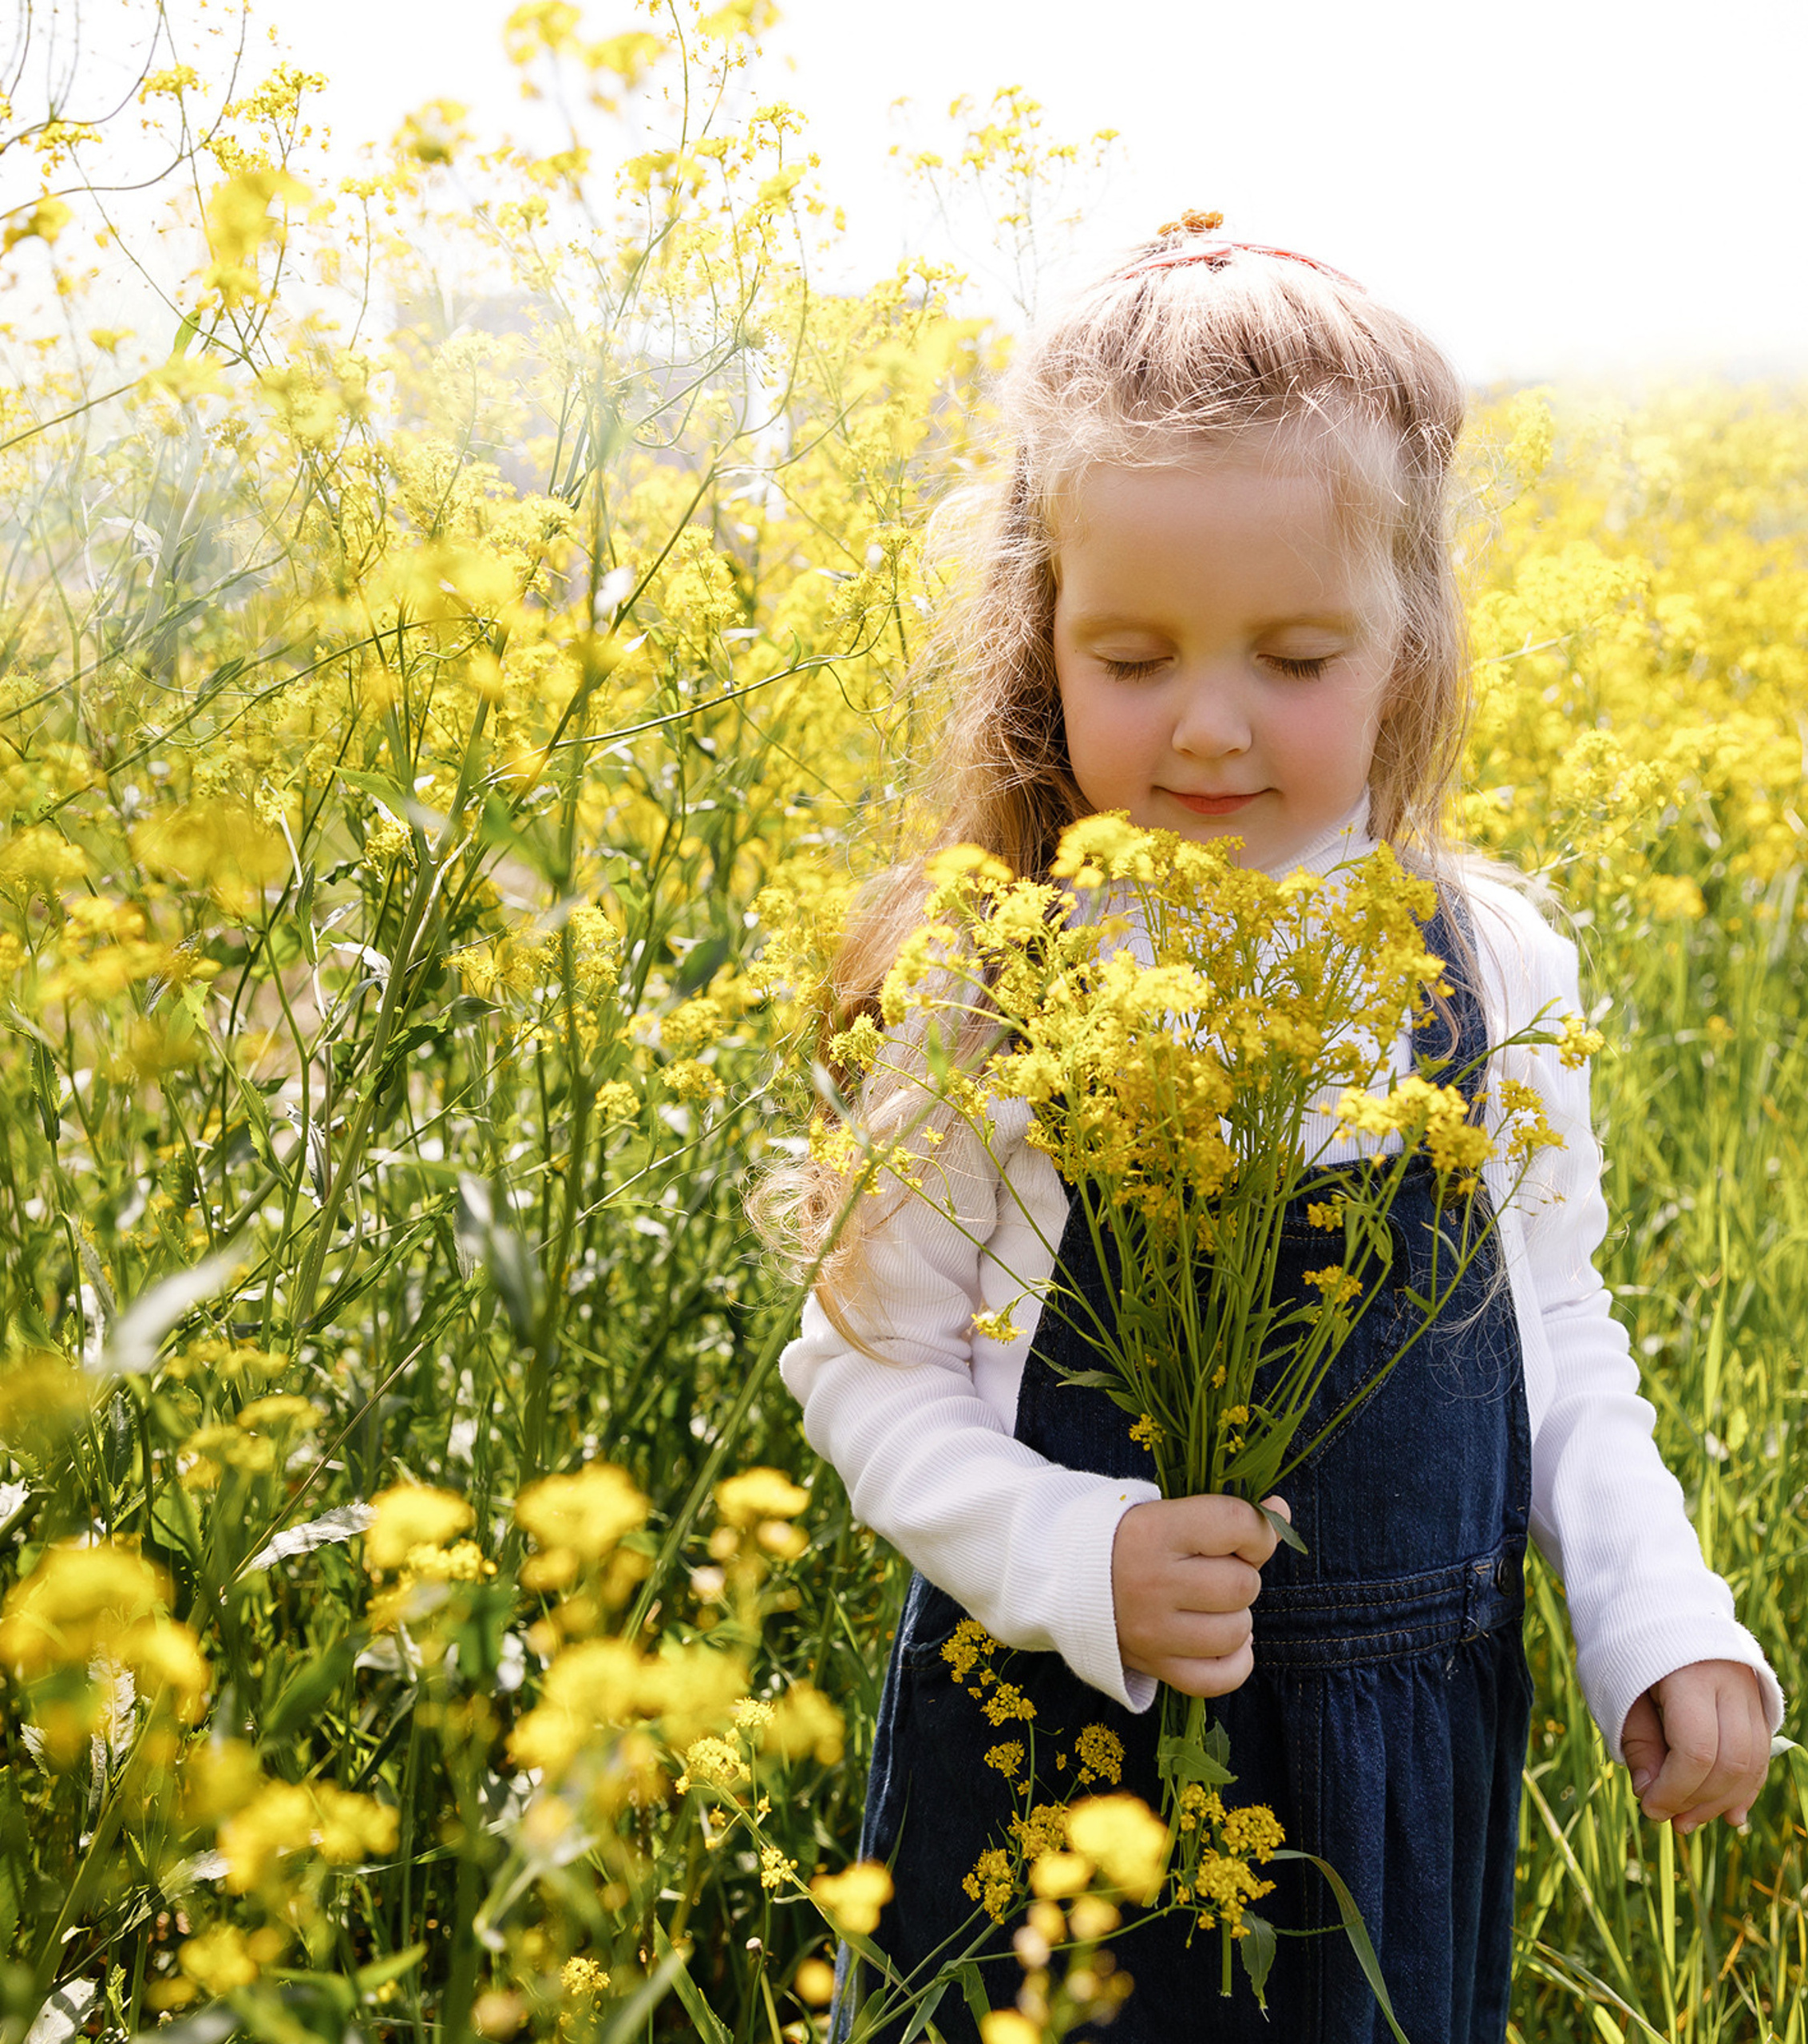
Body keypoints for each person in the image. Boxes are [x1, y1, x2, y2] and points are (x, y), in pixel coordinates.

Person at [763, 218, 1782, 2043]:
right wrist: (1073, 1551)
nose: (1210, 726)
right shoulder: (1003, 972)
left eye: (1295, 655)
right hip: (1053, 1783)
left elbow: (1545, 1332)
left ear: (1407, 646)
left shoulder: (1487, 963)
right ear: (1041, 641)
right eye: (1132, 655)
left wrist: (1659, 1615)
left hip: (1385, 1787)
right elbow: (862, 1372)